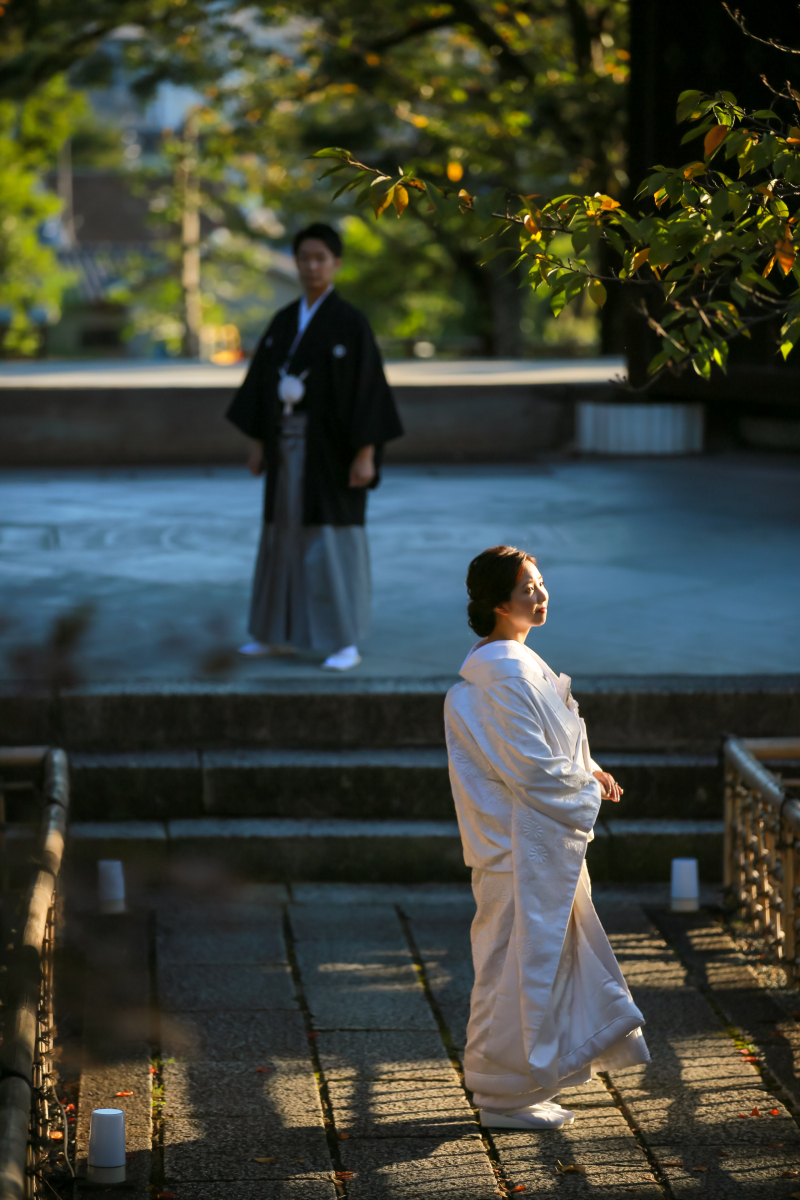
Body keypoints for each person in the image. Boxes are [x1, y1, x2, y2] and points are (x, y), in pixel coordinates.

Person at [444, 546, 649, 1130]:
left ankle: (518, 1086)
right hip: (517, 850)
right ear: (495, 602)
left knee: (532, 965)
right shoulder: (502, 676)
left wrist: (591, 771)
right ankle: (503, 1095)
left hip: (528, 846)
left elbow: (555, 751)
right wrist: (583, 787)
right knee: (513, 968)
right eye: (527, 587)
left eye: (539, 584)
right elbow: (532, 769)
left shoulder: (515, 666)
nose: (539, 595)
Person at [226, 222, 403, 670]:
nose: (311, 266)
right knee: (280, 537)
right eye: (304, 258)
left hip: (333, 453)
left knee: (330, 541)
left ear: (336, 264)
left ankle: (343, 639)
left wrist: (366, 454)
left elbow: (369, 393)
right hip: (286, 450)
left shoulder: (350, 323)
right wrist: (258, 444)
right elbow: (262, 387)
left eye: (320, 258)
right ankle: (274, 633)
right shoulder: (284, 322)